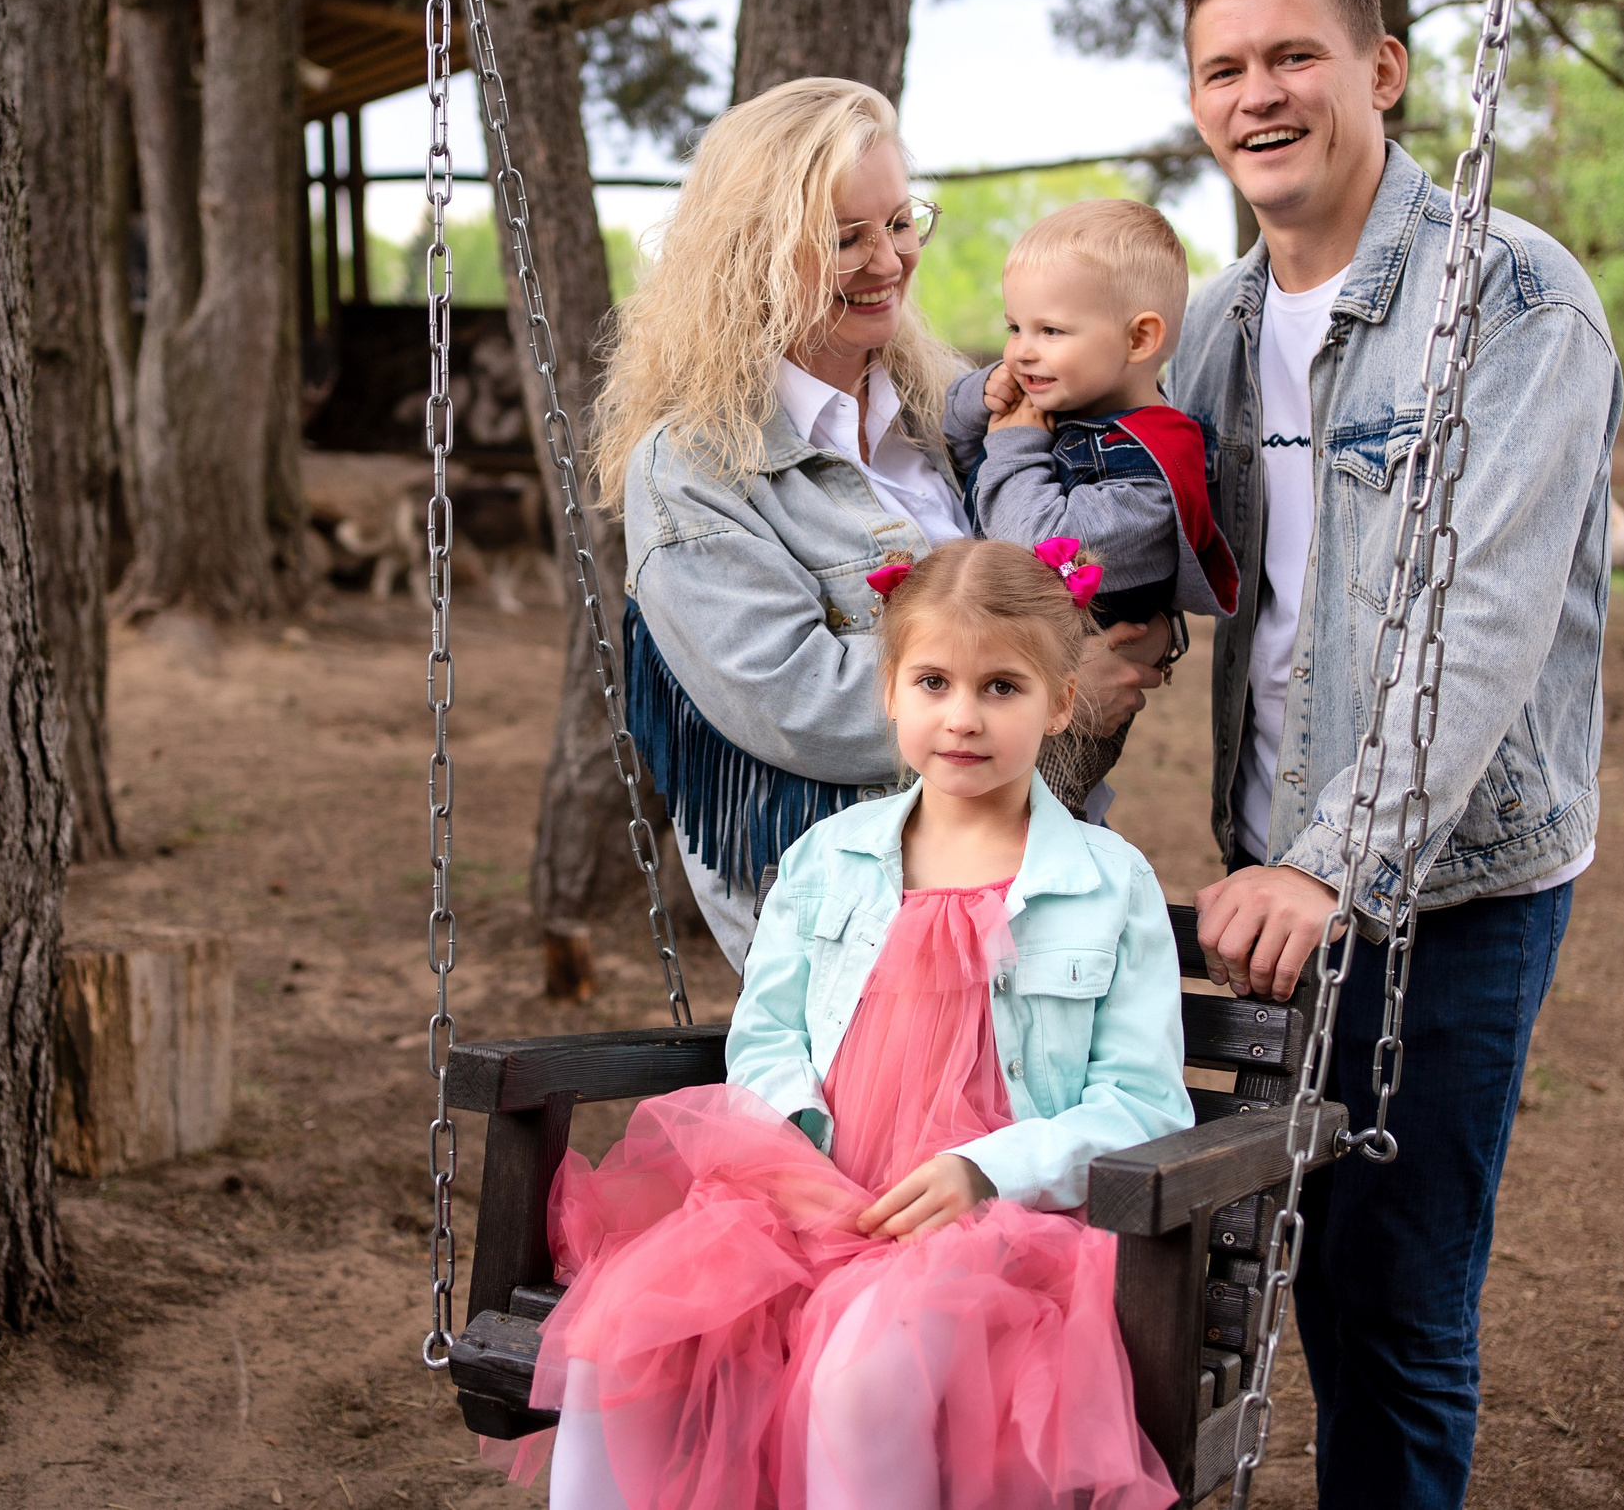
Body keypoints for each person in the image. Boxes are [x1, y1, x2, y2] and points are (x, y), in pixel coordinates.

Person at [1165, 0, 1619, 1508]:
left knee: (1402, 1305)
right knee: (1288, 1268)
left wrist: (1335, 862)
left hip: (1457, 879)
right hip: (1273, 862)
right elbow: (1146, 585)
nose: (1257, 95)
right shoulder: (1214, 325)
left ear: (1382, 70)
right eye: (1223, 70)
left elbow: (1478, 625)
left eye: (1291, 56)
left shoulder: (1513, 297)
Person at [503, 539, 1192, 1510]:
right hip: (816, 1197)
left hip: (997, 1233)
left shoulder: (1103, 884)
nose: (962, 716)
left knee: (860, 1377)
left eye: (1001, 687)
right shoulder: (831, 859)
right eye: (934, 682)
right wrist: (795, 1147)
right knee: (629, 1347)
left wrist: (985, 1170)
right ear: (890, 693)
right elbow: (769, 1034)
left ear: (1060, 703)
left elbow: (1139, 1104)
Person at [592, 78, 1170, 970]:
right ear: (753, 254)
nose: (888, 260)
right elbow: (793, 695)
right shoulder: (695, 465)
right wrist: (1047, 687)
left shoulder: (950, 418)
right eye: (843, 238)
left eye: (900, 223)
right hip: (853, 931)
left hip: (1038, 895)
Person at [941, 198, 1241, 820]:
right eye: (1014, 327)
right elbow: (965, 461)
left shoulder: (1155, 468)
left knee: (1015, 830)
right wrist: (980, 399)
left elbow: (1045, 551)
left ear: (1140, 338)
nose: (1022, 351)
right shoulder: (1067, 409)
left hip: (1069, 721)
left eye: (1050, 331)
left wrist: (1016, 442)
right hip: (1014, 672)